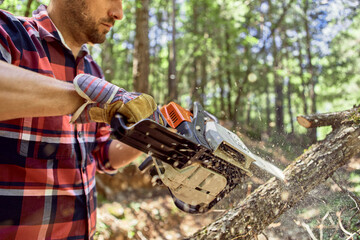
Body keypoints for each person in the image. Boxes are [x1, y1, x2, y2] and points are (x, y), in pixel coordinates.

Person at [0, 0, 160, 239]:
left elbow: (104, 155)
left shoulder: (94, 70)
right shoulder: (9, 34)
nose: (119, 14)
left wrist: (148, 133)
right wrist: (85, 97)